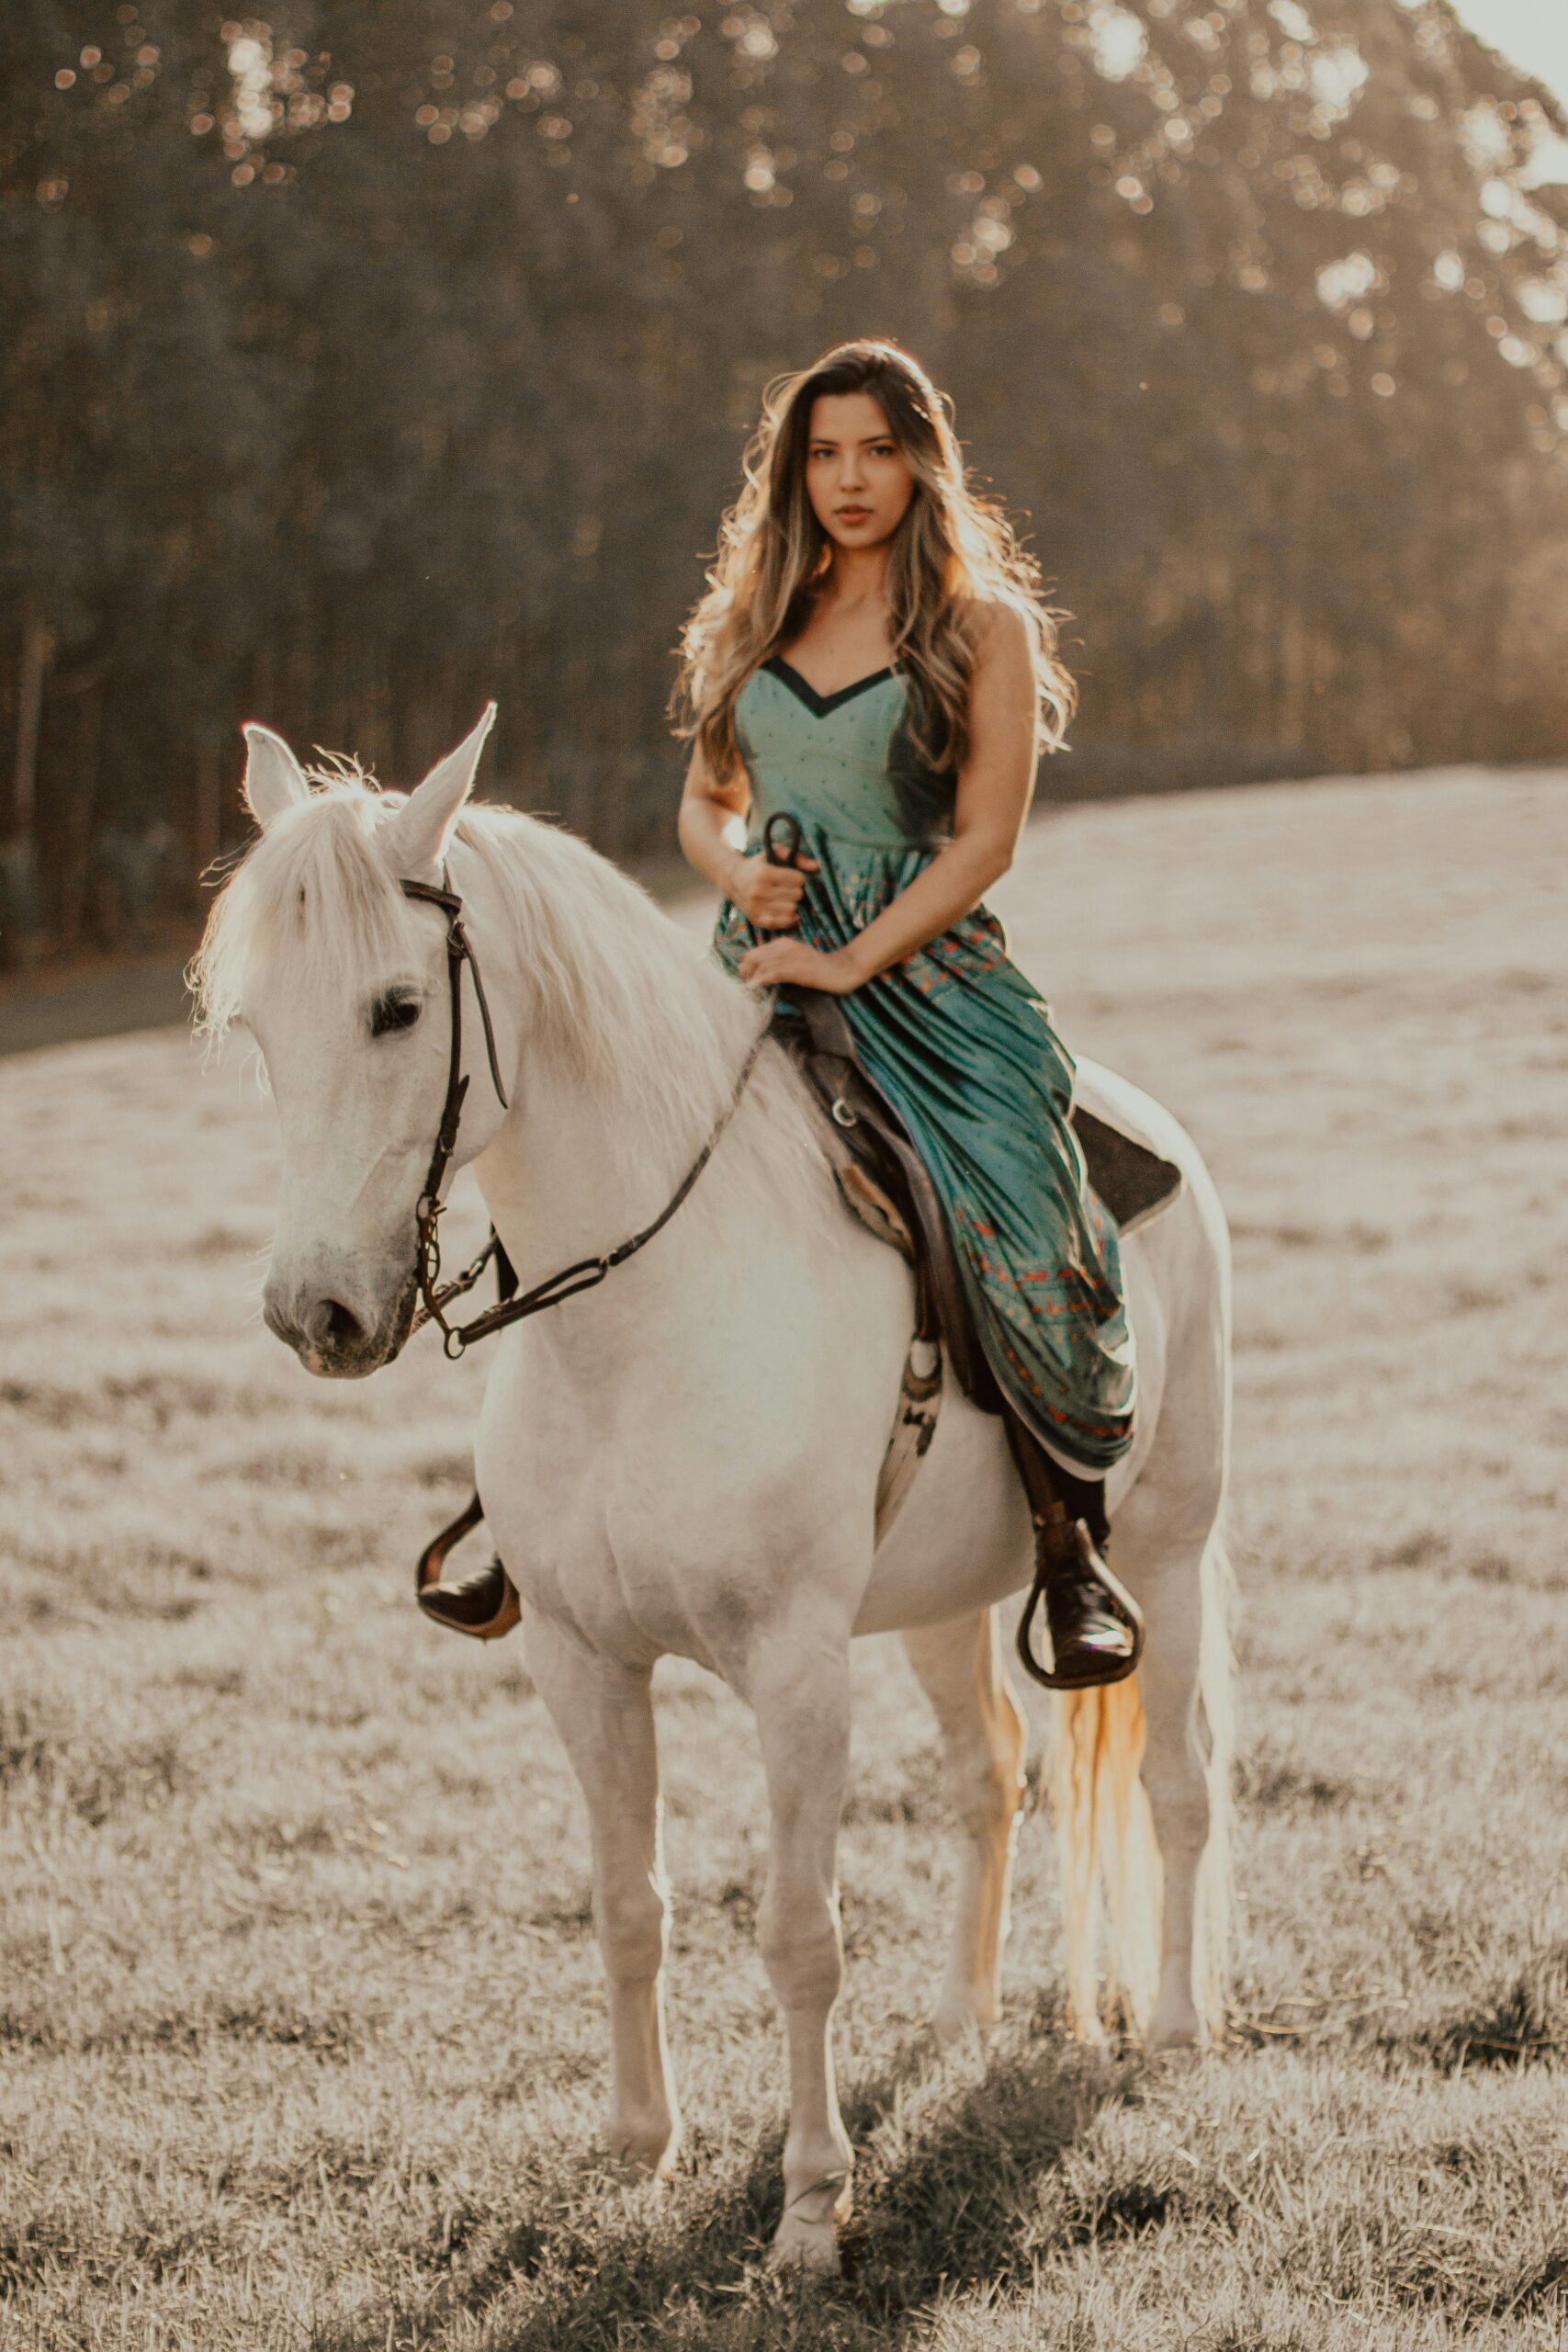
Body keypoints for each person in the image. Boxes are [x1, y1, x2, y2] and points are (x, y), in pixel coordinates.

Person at [671, 337, 1143, 1690]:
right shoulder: (754, 618)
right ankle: (533, 1511)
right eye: (823, 452)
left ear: (924, 458)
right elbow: (702, 803)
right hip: (754, 961)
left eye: (877, 448)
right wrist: (737, 871)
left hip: (928, 980)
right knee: (607, 1162)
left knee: (1013, 1193)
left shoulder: (983, 625)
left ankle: (1065, 1544)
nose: (849, 478)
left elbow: (986, 840)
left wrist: (848, 960)